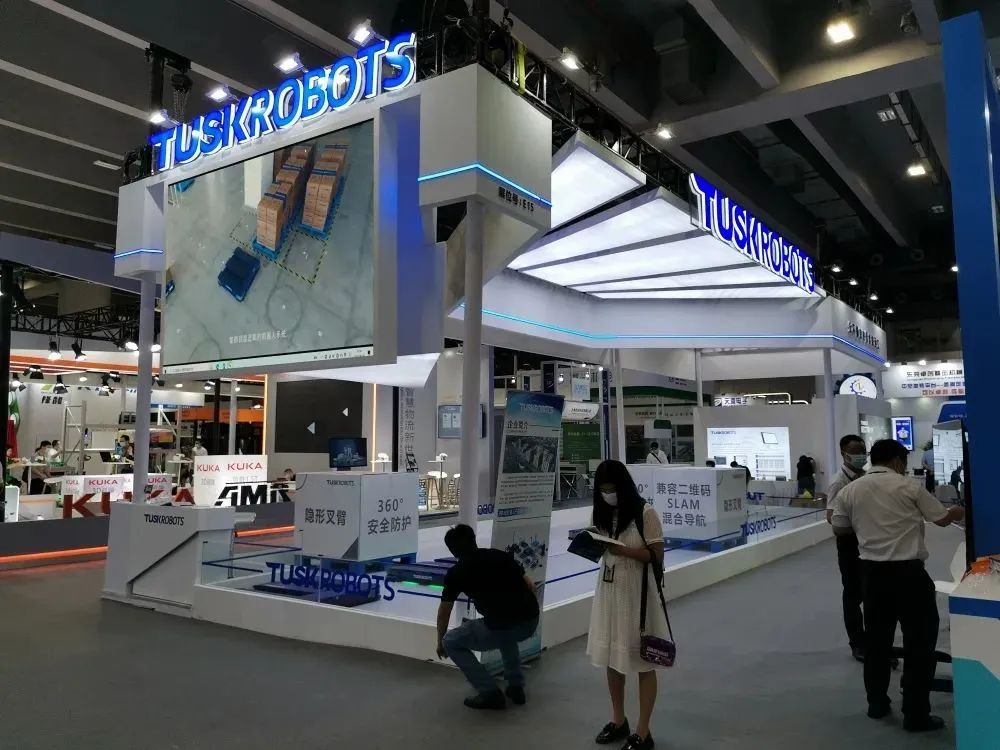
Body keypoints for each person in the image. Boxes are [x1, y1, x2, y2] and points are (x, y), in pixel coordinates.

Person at [831, 439, 965, 733]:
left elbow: (839, 527)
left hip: (872, 576)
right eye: (903, 461)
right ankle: (915, 715)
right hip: (909, 576)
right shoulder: (908, 487)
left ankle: (877, 704)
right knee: (920, 644)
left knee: (877, 643)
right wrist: (957, 513)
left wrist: (867, 526)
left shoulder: (851, 490)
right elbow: (942, 519)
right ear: (896, 461)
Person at [587, 460, 668, 750]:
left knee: (644, 660)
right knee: (613, 658)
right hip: (609, 593)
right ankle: (618, 719)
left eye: (611, 487)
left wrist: (623, 551)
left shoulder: (645, 513)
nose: (607, 493)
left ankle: (643, 732)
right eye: (602, 488)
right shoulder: (601, 512)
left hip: (638, 596)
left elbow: (656, 555)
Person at [436, 524, 540, 710]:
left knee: (451, 641)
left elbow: (444, 612)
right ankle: (516, 687)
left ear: (452, 551)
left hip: (501, 625)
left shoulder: (457, 572)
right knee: (505, 631)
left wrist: (440, 641)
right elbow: (531, 586)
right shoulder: (500, 555)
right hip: (530, 621)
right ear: (474, 539)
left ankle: (489, 692)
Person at [825, 434, 868, 661]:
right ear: (844, 454)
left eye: (863, 451)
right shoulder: (839, 482)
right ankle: (857, 643)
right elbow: (831, 517)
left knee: (870, 592)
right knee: (852, 595)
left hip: (868, 542)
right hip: (850, 544)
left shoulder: (865, 476)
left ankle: (873, 641)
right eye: (856, 452)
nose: (861, 455)